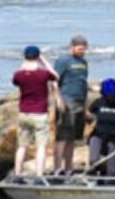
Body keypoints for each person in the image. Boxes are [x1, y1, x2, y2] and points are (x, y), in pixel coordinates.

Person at [12, 46, 62, 176]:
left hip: (23, 112)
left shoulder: (19, 75)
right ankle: (39, 175)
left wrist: (24, 65)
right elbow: (56, 76)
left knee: (22, 146)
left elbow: (16, 80)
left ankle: (18, 174)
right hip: (39, 113)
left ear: (25, 57)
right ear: (38, 57)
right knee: (41, 147)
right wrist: (44, 61)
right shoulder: (43, 74)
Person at [53, 34, 89, 175]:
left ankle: (69, 167)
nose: (82, 52)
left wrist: (85, 107)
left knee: (73, 137)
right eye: (80, 49)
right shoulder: (63, 60)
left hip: (80, 101)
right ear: (72, 47)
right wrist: (58, 99)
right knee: (62, 136)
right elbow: (54, 81)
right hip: (67, 100)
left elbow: (83, 83)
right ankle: (57, 168)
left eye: (84, 50)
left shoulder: (83, 62)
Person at [86, 78, 115, 177]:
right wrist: (86, 114)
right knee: (93, 160)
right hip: (97, 135)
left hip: (112, 137)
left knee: (111, 169)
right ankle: (98, 171)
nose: (110, 96)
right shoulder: (99, 102)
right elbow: (90, 117)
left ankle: (109, 178)